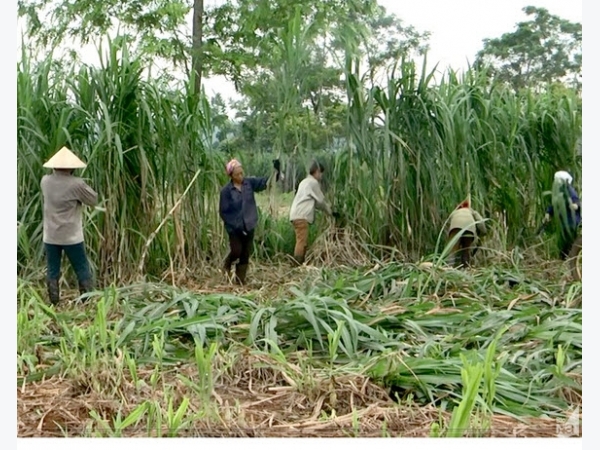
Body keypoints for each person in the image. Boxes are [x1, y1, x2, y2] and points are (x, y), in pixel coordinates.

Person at [40, 146, 99, 304]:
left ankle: (54, 302)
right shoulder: (76, 184)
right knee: (81, 268)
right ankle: (86, 302)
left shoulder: (45, 181)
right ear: (72, 167)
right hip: (71, 236)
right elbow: (93, 200)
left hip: (51, 235)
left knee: (53, 269)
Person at [219, 158, 280, 285]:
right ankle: (227, 265)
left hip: (249, 224)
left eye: (242, 173)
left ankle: (240, 281)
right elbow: (224, 212)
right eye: (237, 174)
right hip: (235, 228)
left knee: (245, 254)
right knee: (236, 250)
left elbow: (266, 183)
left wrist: (276, 171)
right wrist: (235, 225)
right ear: (231, 176)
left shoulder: (249, 184)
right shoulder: (226, 191)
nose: (241, 176)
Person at [289, 160, 337, 265]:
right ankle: (297, 264)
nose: (321, 176)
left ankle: (299, 263)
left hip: (296, 214)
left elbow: (316, 203)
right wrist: (331, 212)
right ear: (316, 171)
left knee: (301, 240)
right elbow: (321, 201)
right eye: (321, 173)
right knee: (301, 241)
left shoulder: (304, 181)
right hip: (302, 216)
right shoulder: (313, 183)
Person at [542, 170, 581, 259]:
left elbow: (577, 202)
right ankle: (563, 258)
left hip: (571, 221)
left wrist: (575, 206)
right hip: (563, 222)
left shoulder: (569, 191)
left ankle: (572, 259)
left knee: (570, 240)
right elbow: (553, 204)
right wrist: (548, 213)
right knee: (563, 241)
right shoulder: (557, 192)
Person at [446, 196, 487, 268]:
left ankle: (449, 268)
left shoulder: (455, 212)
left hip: (455, 227)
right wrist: (483, 232)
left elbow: (448, 222)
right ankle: (466, 268)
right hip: (469, 229)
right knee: (466, 250)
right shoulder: (471, 211)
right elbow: (481, 222)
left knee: (453, 251)